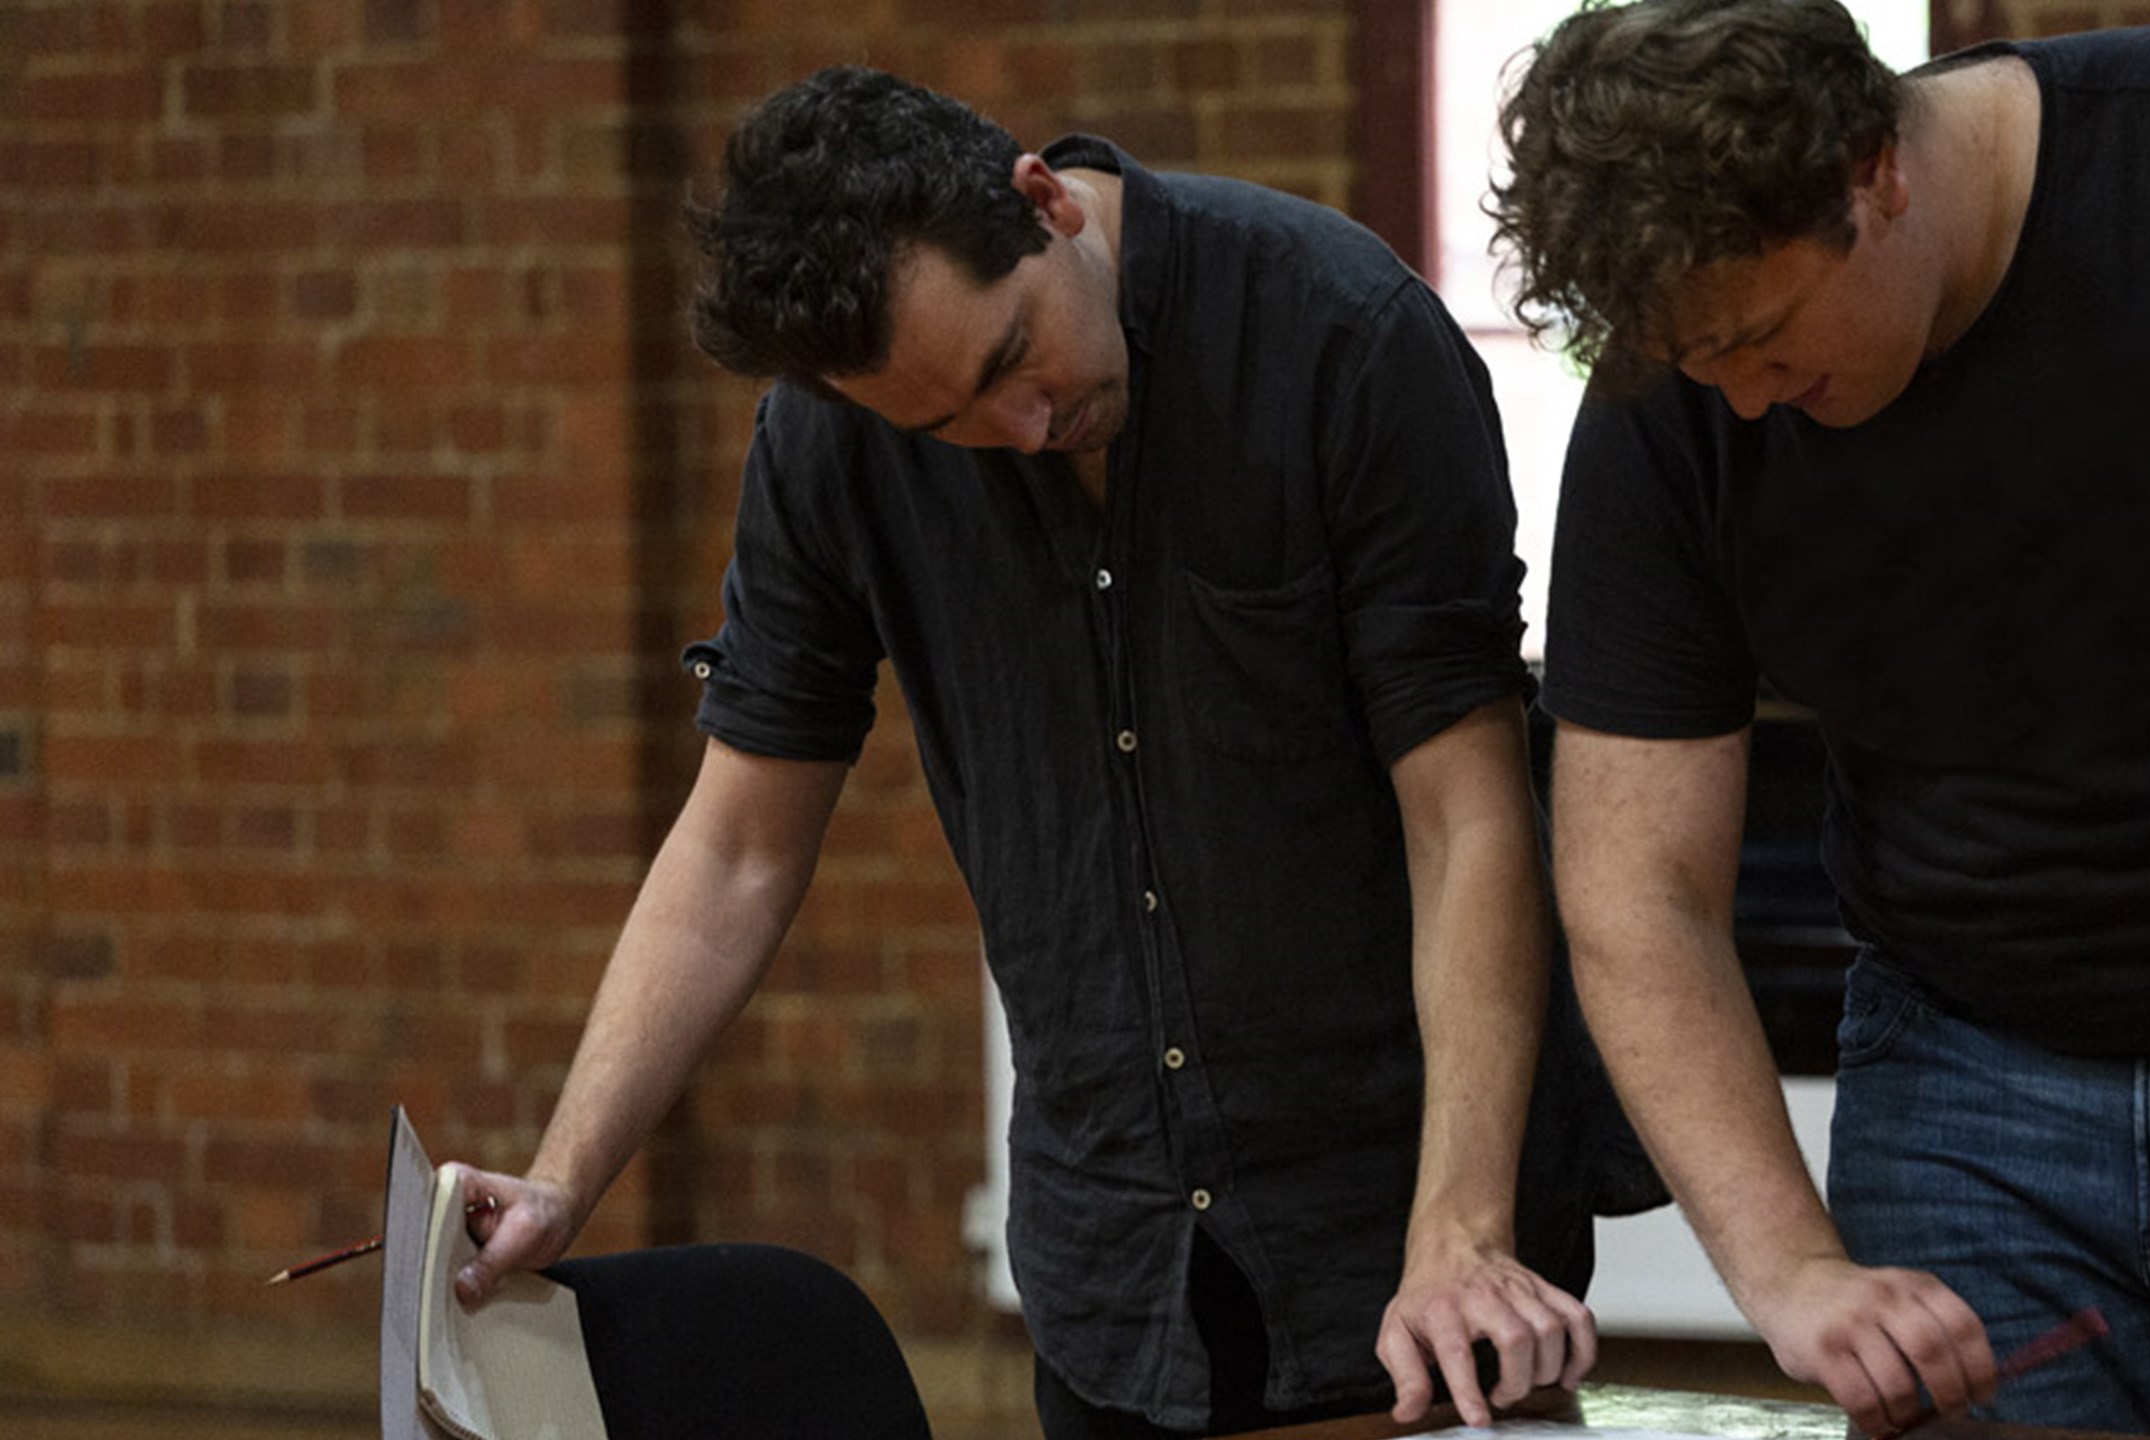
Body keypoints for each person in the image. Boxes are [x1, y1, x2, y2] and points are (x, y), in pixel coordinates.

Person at [441, 65, 1651, 1439]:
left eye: (1011, 359)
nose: (1017, 428)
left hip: (1410, 1219)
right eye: (945, 422)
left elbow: (1469, 818)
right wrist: (564, 1177)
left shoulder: (1339, 333)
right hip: (1113, 1259)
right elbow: (735, 850)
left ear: (1042, 202)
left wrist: (1461, 1234)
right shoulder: (830, 439)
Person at [1489, 2, 2150, 1437]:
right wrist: (1789, 1267)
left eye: (1761, 338)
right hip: (1970, 1102)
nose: (1742, 401)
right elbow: (1636, 887)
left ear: (1876, 171)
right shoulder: (1674, 398)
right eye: (1698, 363)